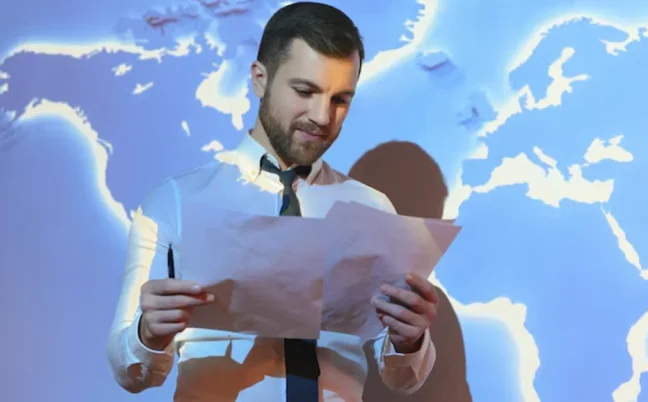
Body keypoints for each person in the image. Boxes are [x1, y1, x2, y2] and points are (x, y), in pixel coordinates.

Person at [106, 2, 438, 401]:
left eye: (340, 99)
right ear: (259, 79)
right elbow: (129, 372)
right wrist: (147, 333)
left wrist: (410, 340)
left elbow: (403, 378)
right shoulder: (174, 201)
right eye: (305, 91)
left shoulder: (374, 210)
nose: (322, 116)